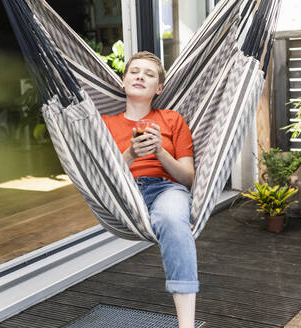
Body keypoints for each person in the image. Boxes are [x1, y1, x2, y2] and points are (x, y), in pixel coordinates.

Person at [102, 51, 198, 328]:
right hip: (124, 194)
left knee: (171, 218)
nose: (140, 76)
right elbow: (104, 178)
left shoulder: (172, 120)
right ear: (123, 81)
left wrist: (159, 152)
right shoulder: (105, 124)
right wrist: (131, 153)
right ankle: (178, 223)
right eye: (134, 71)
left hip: (166, 189)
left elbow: (188, 178)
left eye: (149, 73)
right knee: (176, 223)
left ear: (159, 89)